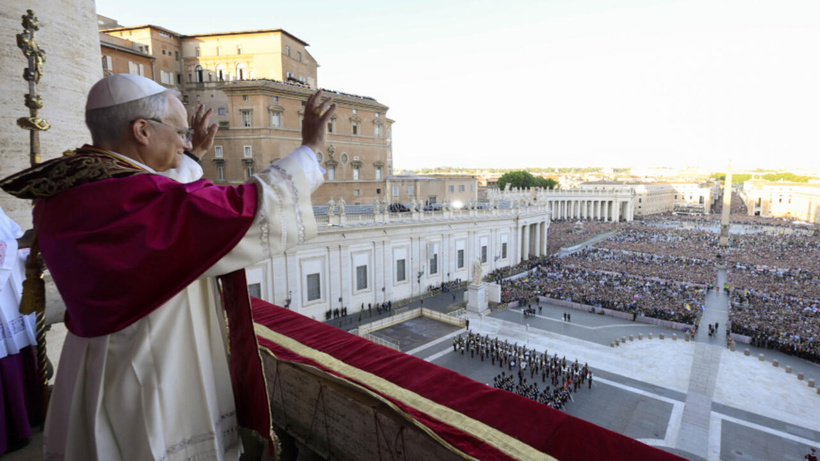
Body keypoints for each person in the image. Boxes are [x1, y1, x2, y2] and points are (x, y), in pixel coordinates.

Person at [0, 74, 336, 460]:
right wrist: (310, 149)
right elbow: (239, 209)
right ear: (141, 130)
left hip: (97, 359)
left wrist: (189, 159)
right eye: (179, 132)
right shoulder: (135, 199)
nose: (185, 140)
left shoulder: (75, 185)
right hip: (149, 365)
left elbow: (168, 195)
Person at [0, 208, 39, 455]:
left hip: (10, 300)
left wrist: (30, 254)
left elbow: (13, 234)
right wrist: (22, 242)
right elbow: (17, 239)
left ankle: (25, 422)